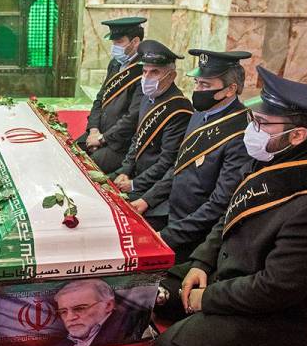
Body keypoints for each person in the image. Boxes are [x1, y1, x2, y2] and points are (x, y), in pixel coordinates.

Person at [155, 66, 307, 346]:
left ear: (297, 135)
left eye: (261, 123)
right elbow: (229, 217)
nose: (252, 130)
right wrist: (200, 263)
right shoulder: (273, 159)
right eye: (253, 119)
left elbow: (276, 288)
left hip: (277, 314)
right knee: (158, 291)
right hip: (235, 276)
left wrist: (206, 298)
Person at [148, 49, 252, 264]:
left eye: (205, 85)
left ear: (230, 89)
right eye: (196, 83)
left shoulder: (240, 133)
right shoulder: (200, 114)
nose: (197, 90)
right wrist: (147, 200)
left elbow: (220, 203)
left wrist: (168, 236)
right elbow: (179, 165)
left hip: (195, 235)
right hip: (171, 213)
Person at [111, 40, 193, 230]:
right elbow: (137, 139)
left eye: (154, 72)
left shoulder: (178, 109)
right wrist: (125, 170)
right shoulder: (150, 98)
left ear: (171, 75)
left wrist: (134, 184)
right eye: (144, 71)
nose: (147, 78)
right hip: (135, 176)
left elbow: (167, 162)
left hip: (154, 188)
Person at [76, 17, 146, 173]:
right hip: (98, 133)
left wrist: (102, 139)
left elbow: (132, 117)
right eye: (113, 42)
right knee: (70, 152)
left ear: (135, 42)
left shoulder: (144, 70)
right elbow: (100, 99)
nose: (114, 47)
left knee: (87, 168)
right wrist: (93, 130)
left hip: (119, 143)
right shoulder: (115, 63)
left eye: (119, 42)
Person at [53, 279, 149, 346]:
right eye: (63, 312)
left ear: (108, 305)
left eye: (80, 308)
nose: (70, 318)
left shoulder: (131, 328)